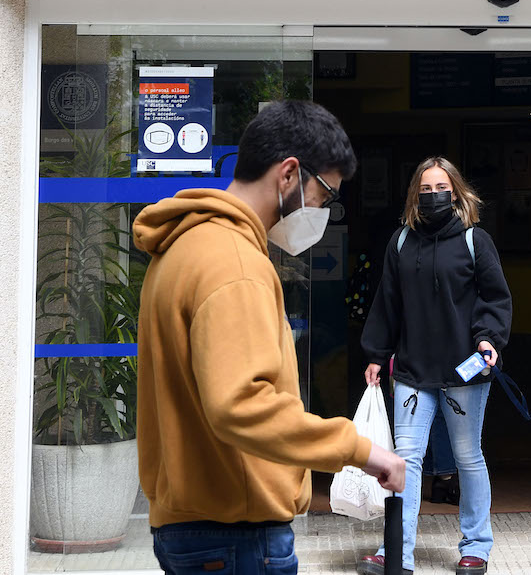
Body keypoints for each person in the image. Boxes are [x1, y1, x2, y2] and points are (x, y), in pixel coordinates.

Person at [133, 101, 407, 575]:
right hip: (236, 532)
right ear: (289, 174)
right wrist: (359, 450)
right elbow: (242, 404)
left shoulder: (184, 247)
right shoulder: (235, 263)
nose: (321, 211)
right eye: (324, 195)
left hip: (195, 524)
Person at [357, 157, 513, 575]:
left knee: (467, 456)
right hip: (412, 368)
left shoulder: (475, 240)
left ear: (456, 192)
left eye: (441, 188)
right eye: (425, 189)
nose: (433, 195)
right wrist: (376, 354)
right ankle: (396, 551)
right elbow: (387, 302)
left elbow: (495, 297)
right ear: (415, 195)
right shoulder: (401, 242)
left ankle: (476, 546)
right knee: (405, 458)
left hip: (465, 370)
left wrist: (488, 338)